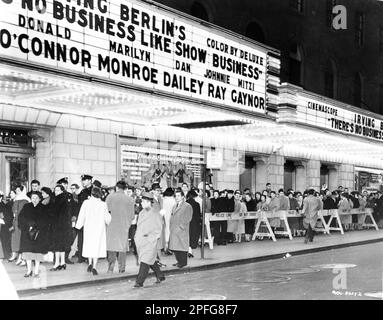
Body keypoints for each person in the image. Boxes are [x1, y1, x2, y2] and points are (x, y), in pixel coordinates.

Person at [75, 187, 111, 275]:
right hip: (99, 228)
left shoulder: (86, 202)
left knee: (89, 245)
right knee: (97, 246)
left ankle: (90, 263)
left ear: (92, 193)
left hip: (88, 228)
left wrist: (78, 225)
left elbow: (82, 214)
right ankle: (94, 266)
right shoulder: (103, 204)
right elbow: (107, 218)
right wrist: (109, 218)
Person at [133, 192, 165, 288]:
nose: (141, 203)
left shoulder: (155, 213)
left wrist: (151, 238)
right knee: (150, 259)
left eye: (143, 201)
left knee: (145, 261)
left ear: (148, 202)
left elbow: (159, 229)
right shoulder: (142, 212)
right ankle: (160, 275)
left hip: (149, 241)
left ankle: (139, 282)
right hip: (140, 241)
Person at [106, 181, 135, 274]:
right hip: (124, 226)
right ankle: (122, 268)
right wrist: (127, 225)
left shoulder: (110, 197)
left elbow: (106, 212)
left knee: (111, 246)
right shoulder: (130, 199)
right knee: (122, 247)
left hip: (111, 225)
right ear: (125, 189)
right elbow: (132, 216)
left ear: (116, 188)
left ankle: (111, 265)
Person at [18, 192, 50, 277]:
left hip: (39, 234)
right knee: (27, 253)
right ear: (30, 199)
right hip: (27, 233)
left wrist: (36, 226)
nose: (34, 200)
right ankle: (29, 271)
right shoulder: (26, 206)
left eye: (36, 198)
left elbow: (46, 220)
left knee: (37, 254)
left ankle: (36, 271)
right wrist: (28, 225)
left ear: (40, 199)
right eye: (33, 198)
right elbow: (21, 218)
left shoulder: (44, 208)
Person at [50, 185, 73, 271]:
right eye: (55, 190)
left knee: (57, 246)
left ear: (62, 191)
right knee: (62, 245)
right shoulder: (66, 200)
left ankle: (56, 264)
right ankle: (62, 262)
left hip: (58, 226)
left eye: (58, 190)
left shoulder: (57, 200)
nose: (56, 192)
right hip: (64, 226)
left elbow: (53, 213)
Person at [169, 189, 192, 268]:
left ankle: (183, 262)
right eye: (176, 196)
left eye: (178, 196)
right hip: (174, 229)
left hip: (182, 230)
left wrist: (181, 227)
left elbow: (188, 218)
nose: (177, 197)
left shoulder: (187, 206)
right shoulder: (174, 206)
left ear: (182, 197)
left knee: (182, 247)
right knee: (176, 247)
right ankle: (179, 261)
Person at [76, 174, 93, 263]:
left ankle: (89, 257)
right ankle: (81, 256)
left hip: (90, 218)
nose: (83, 182)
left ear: (90, 180)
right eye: (82, 180)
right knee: (81, 237)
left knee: (89, 238)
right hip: (83, 217)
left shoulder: (94, 191)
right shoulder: (82, 192)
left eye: (85, 180)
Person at [12, 185, 30, 266]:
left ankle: (23, 258)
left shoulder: (25, 200)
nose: (17, 192)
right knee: (16, 240)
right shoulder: (16, 199)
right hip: (16, 222)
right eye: (16, 191)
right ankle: (19, 256)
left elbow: (22, 213)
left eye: (18, 190)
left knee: (21, 240)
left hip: (21, 223)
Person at [186, 190, 201, 258]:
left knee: (187, 236)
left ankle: (188, 251)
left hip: (186, 222)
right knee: (193, 237)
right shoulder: (197, 204)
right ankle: (190, 251)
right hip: (194, 223)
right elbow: (198, 215)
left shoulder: (185, 203)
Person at [162, 187, 176, 255]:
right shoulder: (173, 200)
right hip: (171, 218)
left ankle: (165, 247)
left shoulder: (163, 199)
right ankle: (169, 248)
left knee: (165, 232)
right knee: (170, 232)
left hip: (164, 217)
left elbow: (162, 209)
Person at [0, 192, 13, 260]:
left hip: (7, 224)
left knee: (7, 240)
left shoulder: (9, 205)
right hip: (2, 224)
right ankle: (4, 255)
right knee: (3, 240)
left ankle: (7, 255)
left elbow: (11, 215)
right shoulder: (1, 205)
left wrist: (10, 224)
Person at [6, 190, 17, 262]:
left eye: (12, 193)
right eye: (10, 193)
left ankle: (15, 255)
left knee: (14, 238)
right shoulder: (10, 202)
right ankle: (13, 254)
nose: (11, 194)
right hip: (9, 222)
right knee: (11, 238)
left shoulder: (17, 201)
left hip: (14, 222)